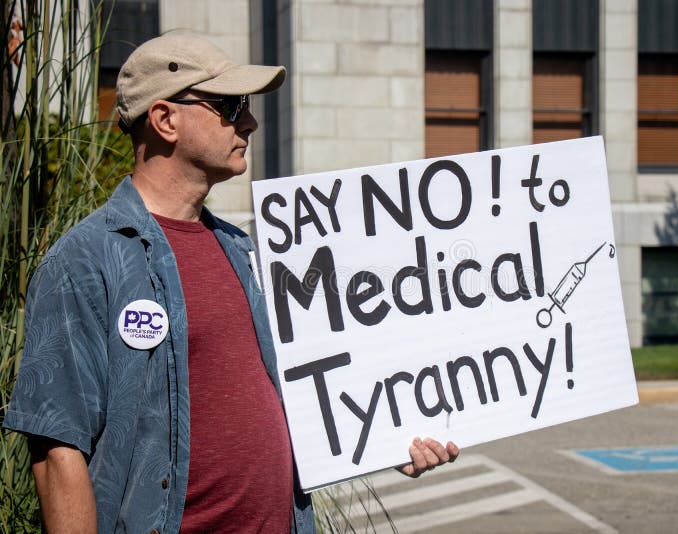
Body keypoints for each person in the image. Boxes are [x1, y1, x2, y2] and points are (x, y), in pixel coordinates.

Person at [3, 34, 458, 533]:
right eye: (229, 106)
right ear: (165, 120)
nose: (250, 121)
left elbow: (307, 391)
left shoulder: (244, 252)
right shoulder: (86, 261)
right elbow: (56, 449)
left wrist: (387, 439)